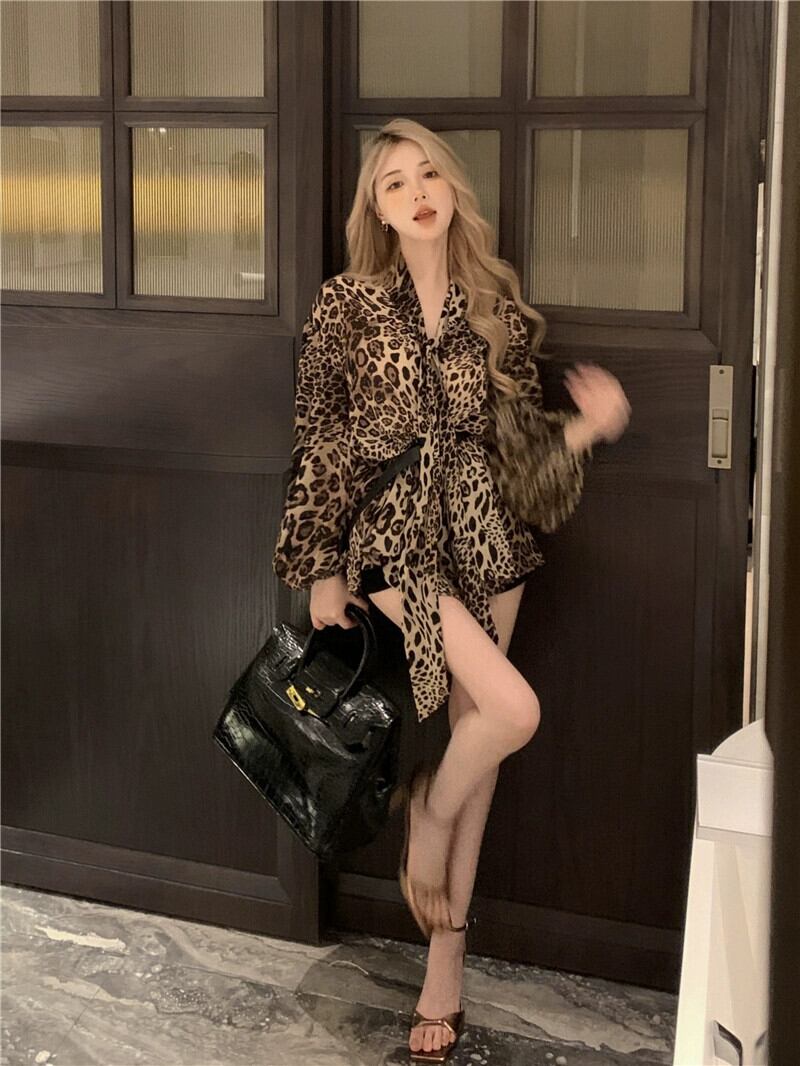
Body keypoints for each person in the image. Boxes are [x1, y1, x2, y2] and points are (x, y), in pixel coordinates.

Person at [273, 118, 631, 1063]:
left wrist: (586, 429)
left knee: (486, 742)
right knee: (514, 711)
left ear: (451, 191)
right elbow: (319, 439)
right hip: (393, 539)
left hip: (486, 537)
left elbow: (520, 465)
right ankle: (425, 814)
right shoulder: (347, 304)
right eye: (395, 183)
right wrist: (321, 567)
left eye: (429, 174)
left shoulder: (494, 314)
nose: (417, 192)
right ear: (378, 211)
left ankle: (447, 956)